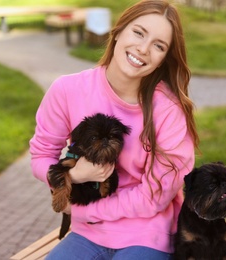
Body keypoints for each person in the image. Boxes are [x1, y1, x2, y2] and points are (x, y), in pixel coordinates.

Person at [29, 0, 199, 259]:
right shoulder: (68, 90)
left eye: (159, 45)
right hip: (88, 233)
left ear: (164, 58)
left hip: (147, 233)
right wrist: (73, 177)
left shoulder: (168, 110)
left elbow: (154, 197)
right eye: (138, 32)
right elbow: (41, 155)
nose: (143, 49)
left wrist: (81, 211)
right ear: (118, 31)